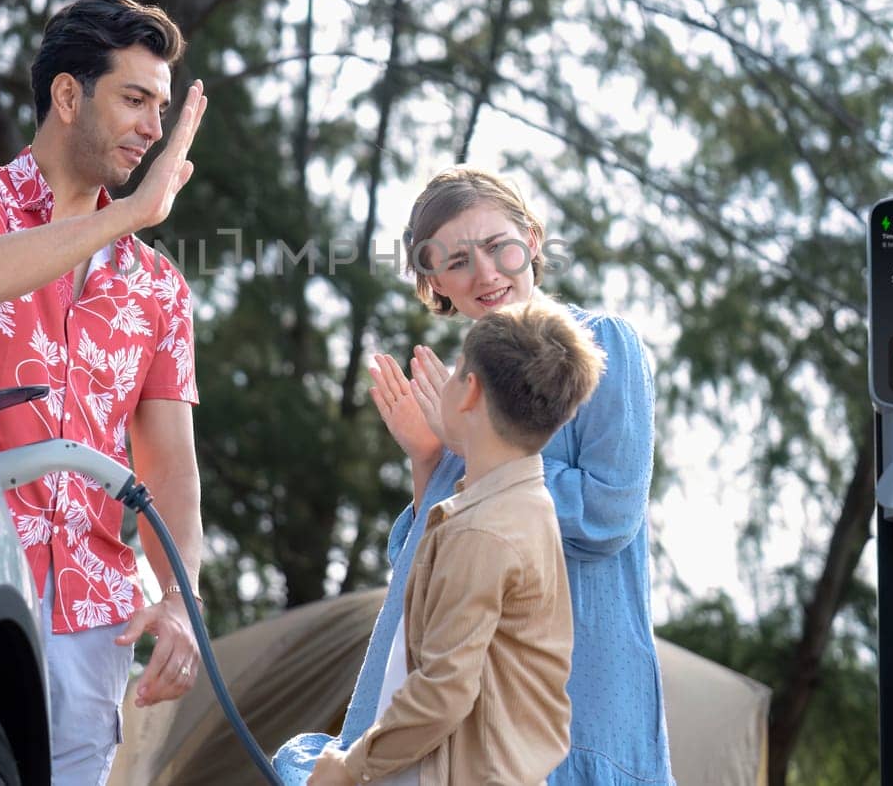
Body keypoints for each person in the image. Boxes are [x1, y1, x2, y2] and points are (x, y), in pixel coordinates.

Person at [0, 0, 210, 785]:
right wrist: (125, 216)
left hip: (93, 625)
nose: (153, 126)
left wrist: (180, 599)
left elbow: (170, 469)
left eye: (162, 107)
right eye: (134, 98)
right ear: (68, 96)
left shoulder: (159, 289)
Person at [276, 166, 676, 786]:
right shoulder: (461, 387)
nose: (485, 273)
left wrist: (474, 446)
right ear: (434, 282)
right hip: (456, 707)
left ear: (533, 241)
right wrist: (430, 458)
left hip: (574, 692)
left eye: (497, 247)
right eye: (457, 260)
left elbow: (608, 514)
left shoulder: (602, 346)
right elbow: (427, 565)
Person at [308, 296, 602, 786]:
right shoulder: (525, 504)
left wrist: (348, 767)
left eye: (455, 370)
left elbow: (442, 693)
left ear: (469, 392)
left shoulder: (482, 530)